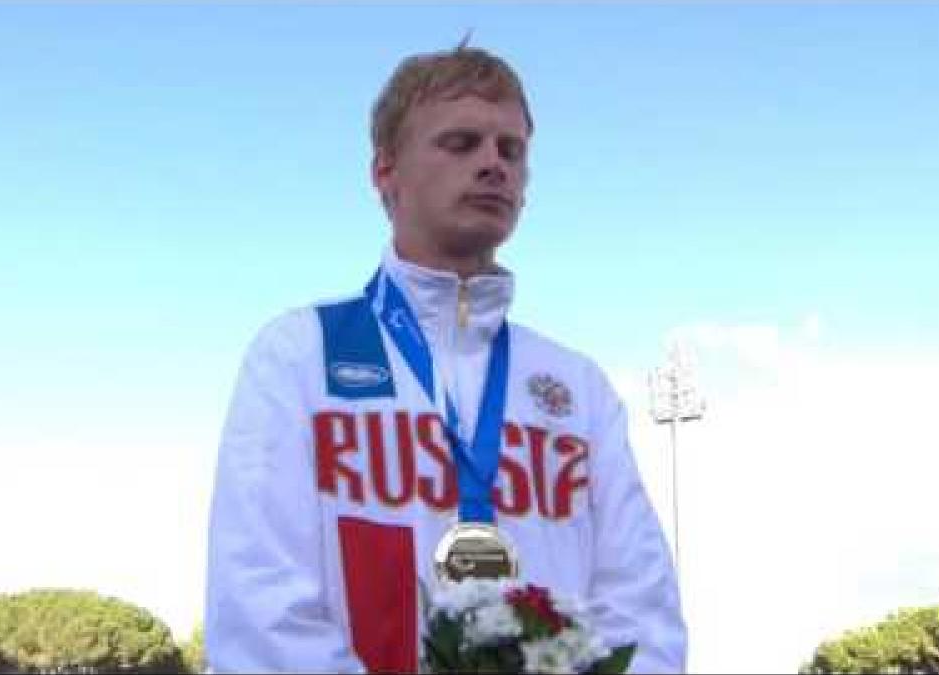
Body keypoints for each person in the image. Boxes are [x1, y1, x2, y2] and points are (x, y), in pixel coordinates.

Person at [204, 41, 687, 673]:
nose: (494, 164)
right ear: (385, 172)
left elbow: (640, 610)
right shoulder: (298, 356)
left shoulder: (576, 387)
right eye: (461, 143)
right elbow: (258, 604)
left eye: (511, 150)